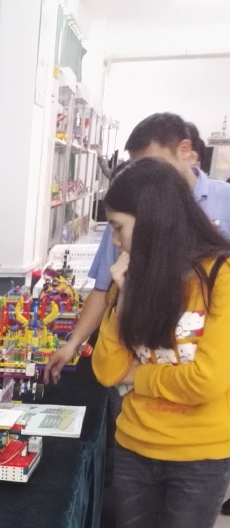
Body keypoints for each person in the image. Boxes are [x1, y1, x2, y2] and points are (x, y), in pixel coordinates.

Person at [81, 158, 230, 528]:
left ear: (154, 219)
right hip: (135, 447)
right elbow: (106, 368)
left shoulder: (219, 276)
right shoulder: (140, 278)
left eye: (120, 228)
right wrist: (122, 294)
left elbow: (207, 381)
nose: (116, 242)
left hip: (200, 457)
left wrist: (140, 378)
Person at [45, 114, 230, 385]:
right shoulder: (126, 218)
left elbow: (206, 381)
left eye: (152, 164)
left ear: (185, 151)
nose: (144, 176)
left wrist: (136, 375)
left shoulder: (220, 261)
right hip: (142, 362)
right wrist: (74, 342)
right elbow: (104, 289)